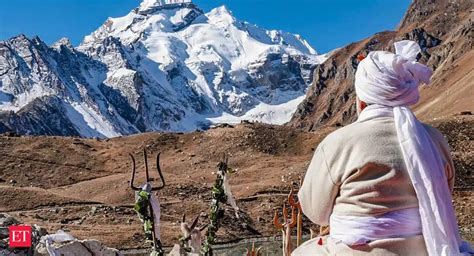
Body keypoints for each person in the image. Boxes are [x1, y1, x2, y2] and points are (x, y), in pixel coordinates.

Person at [293, 40, 472, 256]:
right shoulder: (434, 140)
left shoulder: (338, 142)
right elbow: (441, 194)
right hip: (426, 247)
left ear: (361, 101)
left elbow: (316, 213)